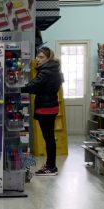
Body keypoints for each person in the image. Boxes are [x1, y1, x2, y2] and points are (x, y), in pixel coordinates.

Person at [21, 45, 63, 176]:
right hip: (50, 106)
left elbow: (34, 86)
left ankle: (51, 167)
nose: (38, 59)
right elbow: (40, 86)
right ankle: (50, 165)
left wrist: (17, 88)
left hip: (46, 108)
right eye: (37, 56)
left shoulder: (46, 71)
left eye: (41, 57)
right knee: (49, 138)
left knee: (49, 138)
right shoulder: (52, 69)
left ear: (48, 58)